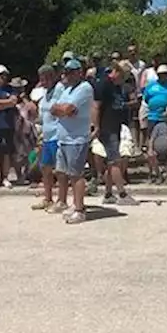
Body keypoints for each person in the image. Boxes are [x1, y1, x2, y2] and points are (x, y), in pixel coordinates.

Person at [49, 59, 95, 223]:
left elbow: (67, 109)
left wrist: (63, 110)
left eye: (70, 72)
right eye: (65, 72)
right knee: (61, 172)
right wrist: (62, 110)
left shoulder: (84, 88)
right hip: (63, 137)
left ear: (79, 72)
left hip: (76, 138)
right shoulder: (66, 89)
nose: (66, 75)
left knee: (76, 175)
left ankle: (80, 209)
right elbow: (53, 108)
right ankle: (66, 202)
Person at [93, 61, 135, 205]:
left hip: (115, 127)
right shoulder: (104, 84)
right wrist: (96, 127)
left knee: (111, 163)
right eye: (123, 76)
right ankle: (122, 195)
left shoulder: (116, 87)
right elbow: (96, 107)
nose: (123, 80)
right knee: (115, 161)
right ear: (117, 72)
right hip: (106, 128)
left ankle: (108, 194)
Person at [31, 65, 62, 211]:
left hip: (58, 135)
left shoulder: (60, 89)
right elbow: (43, 117)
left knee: (60, 170)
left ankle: (62, 200)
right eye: (41, 79)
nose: (42, 82)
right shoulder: (45, 94)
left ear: (52, 77)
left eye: (44, 79)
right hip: (47, 136)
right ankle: (48, 198)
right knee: (45, 168)